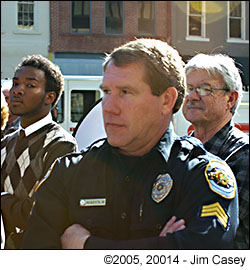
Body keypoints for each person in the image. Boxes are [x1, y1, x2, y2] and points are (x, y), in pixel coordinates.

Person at [22, 39, 238, 249]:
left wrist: (88, 246)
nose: (108, 106)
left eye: (125, 92)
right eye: (107, 92)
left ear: (166, 100)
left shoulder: (199, 174)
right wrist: (161, 248)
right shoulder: (68, 172)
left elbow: (205, 256)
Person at [1, 54, 78, 249]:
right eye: (16, 83)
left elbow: (39, 215)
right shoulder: (5, 143)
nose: (17, 91)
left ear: (50, 97)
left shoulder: (62, 145)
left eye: (30, 85)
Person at [182, 53, 249, 249]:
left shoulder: (243, 156)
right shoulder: (178, 149)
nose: (192, 96)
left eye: (204, 89)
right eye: (188, 88)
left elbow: (209, 230)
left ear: (230, 99)